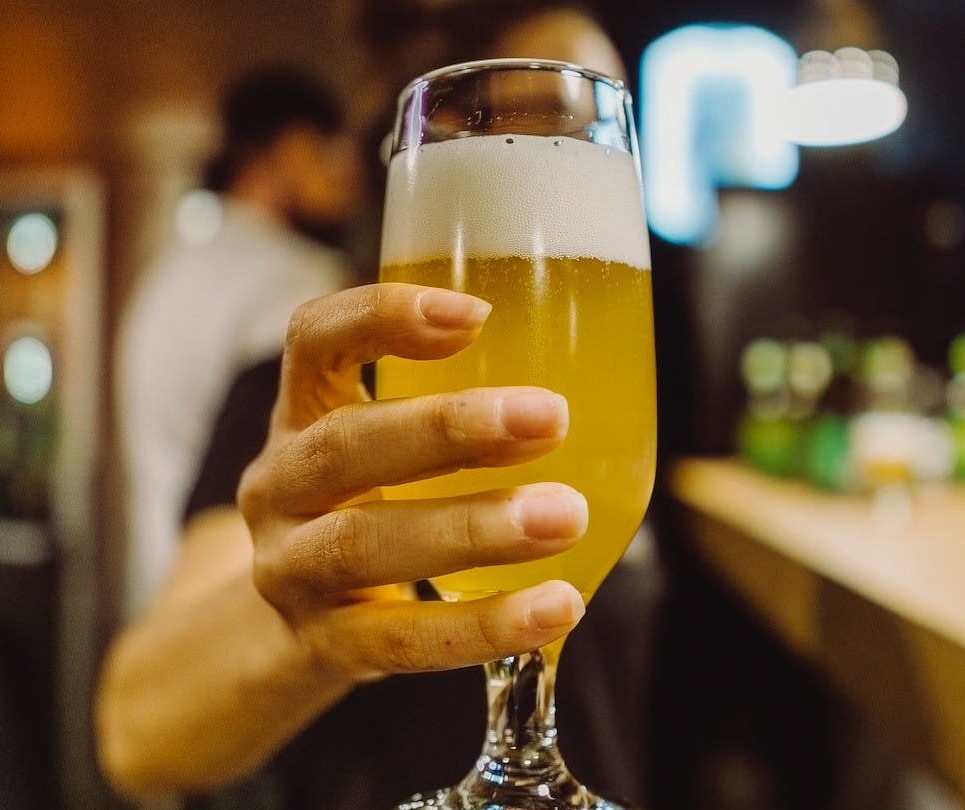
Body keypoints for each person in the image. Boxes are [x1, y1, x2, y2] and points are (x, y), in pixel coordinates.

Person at [96, 4, 664, 809]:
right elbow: (133, 731)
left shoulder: (615, 378)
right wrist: (300, 632)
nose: (575, 152)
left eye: (600, 121)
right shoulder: (319, 394)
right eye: (538, 115)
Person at [115, 67, 361, 617]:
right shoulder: (298, 278)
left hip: (159, 593)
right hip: (238, 604)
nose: (345, 176)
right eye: (325, 153)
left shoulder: (167, 273)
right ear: (268, 159)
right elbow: (275, 478)